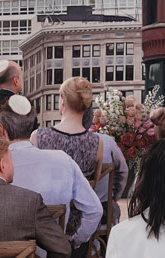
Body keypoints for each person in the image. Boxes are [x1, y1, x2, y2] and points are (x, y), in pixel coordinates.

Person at [1, 94, 103, 250]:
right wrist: (73, 242)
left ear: (1, 130)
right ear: (33, 126)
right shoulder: (63, 161)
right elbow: (95, 210)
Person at [35, 76, 129, 209]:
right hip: (83, 219)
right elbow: (93, 186)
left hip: (48, 218)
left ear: (62, 100)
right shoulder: (97, 142)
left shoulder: (38, 136)